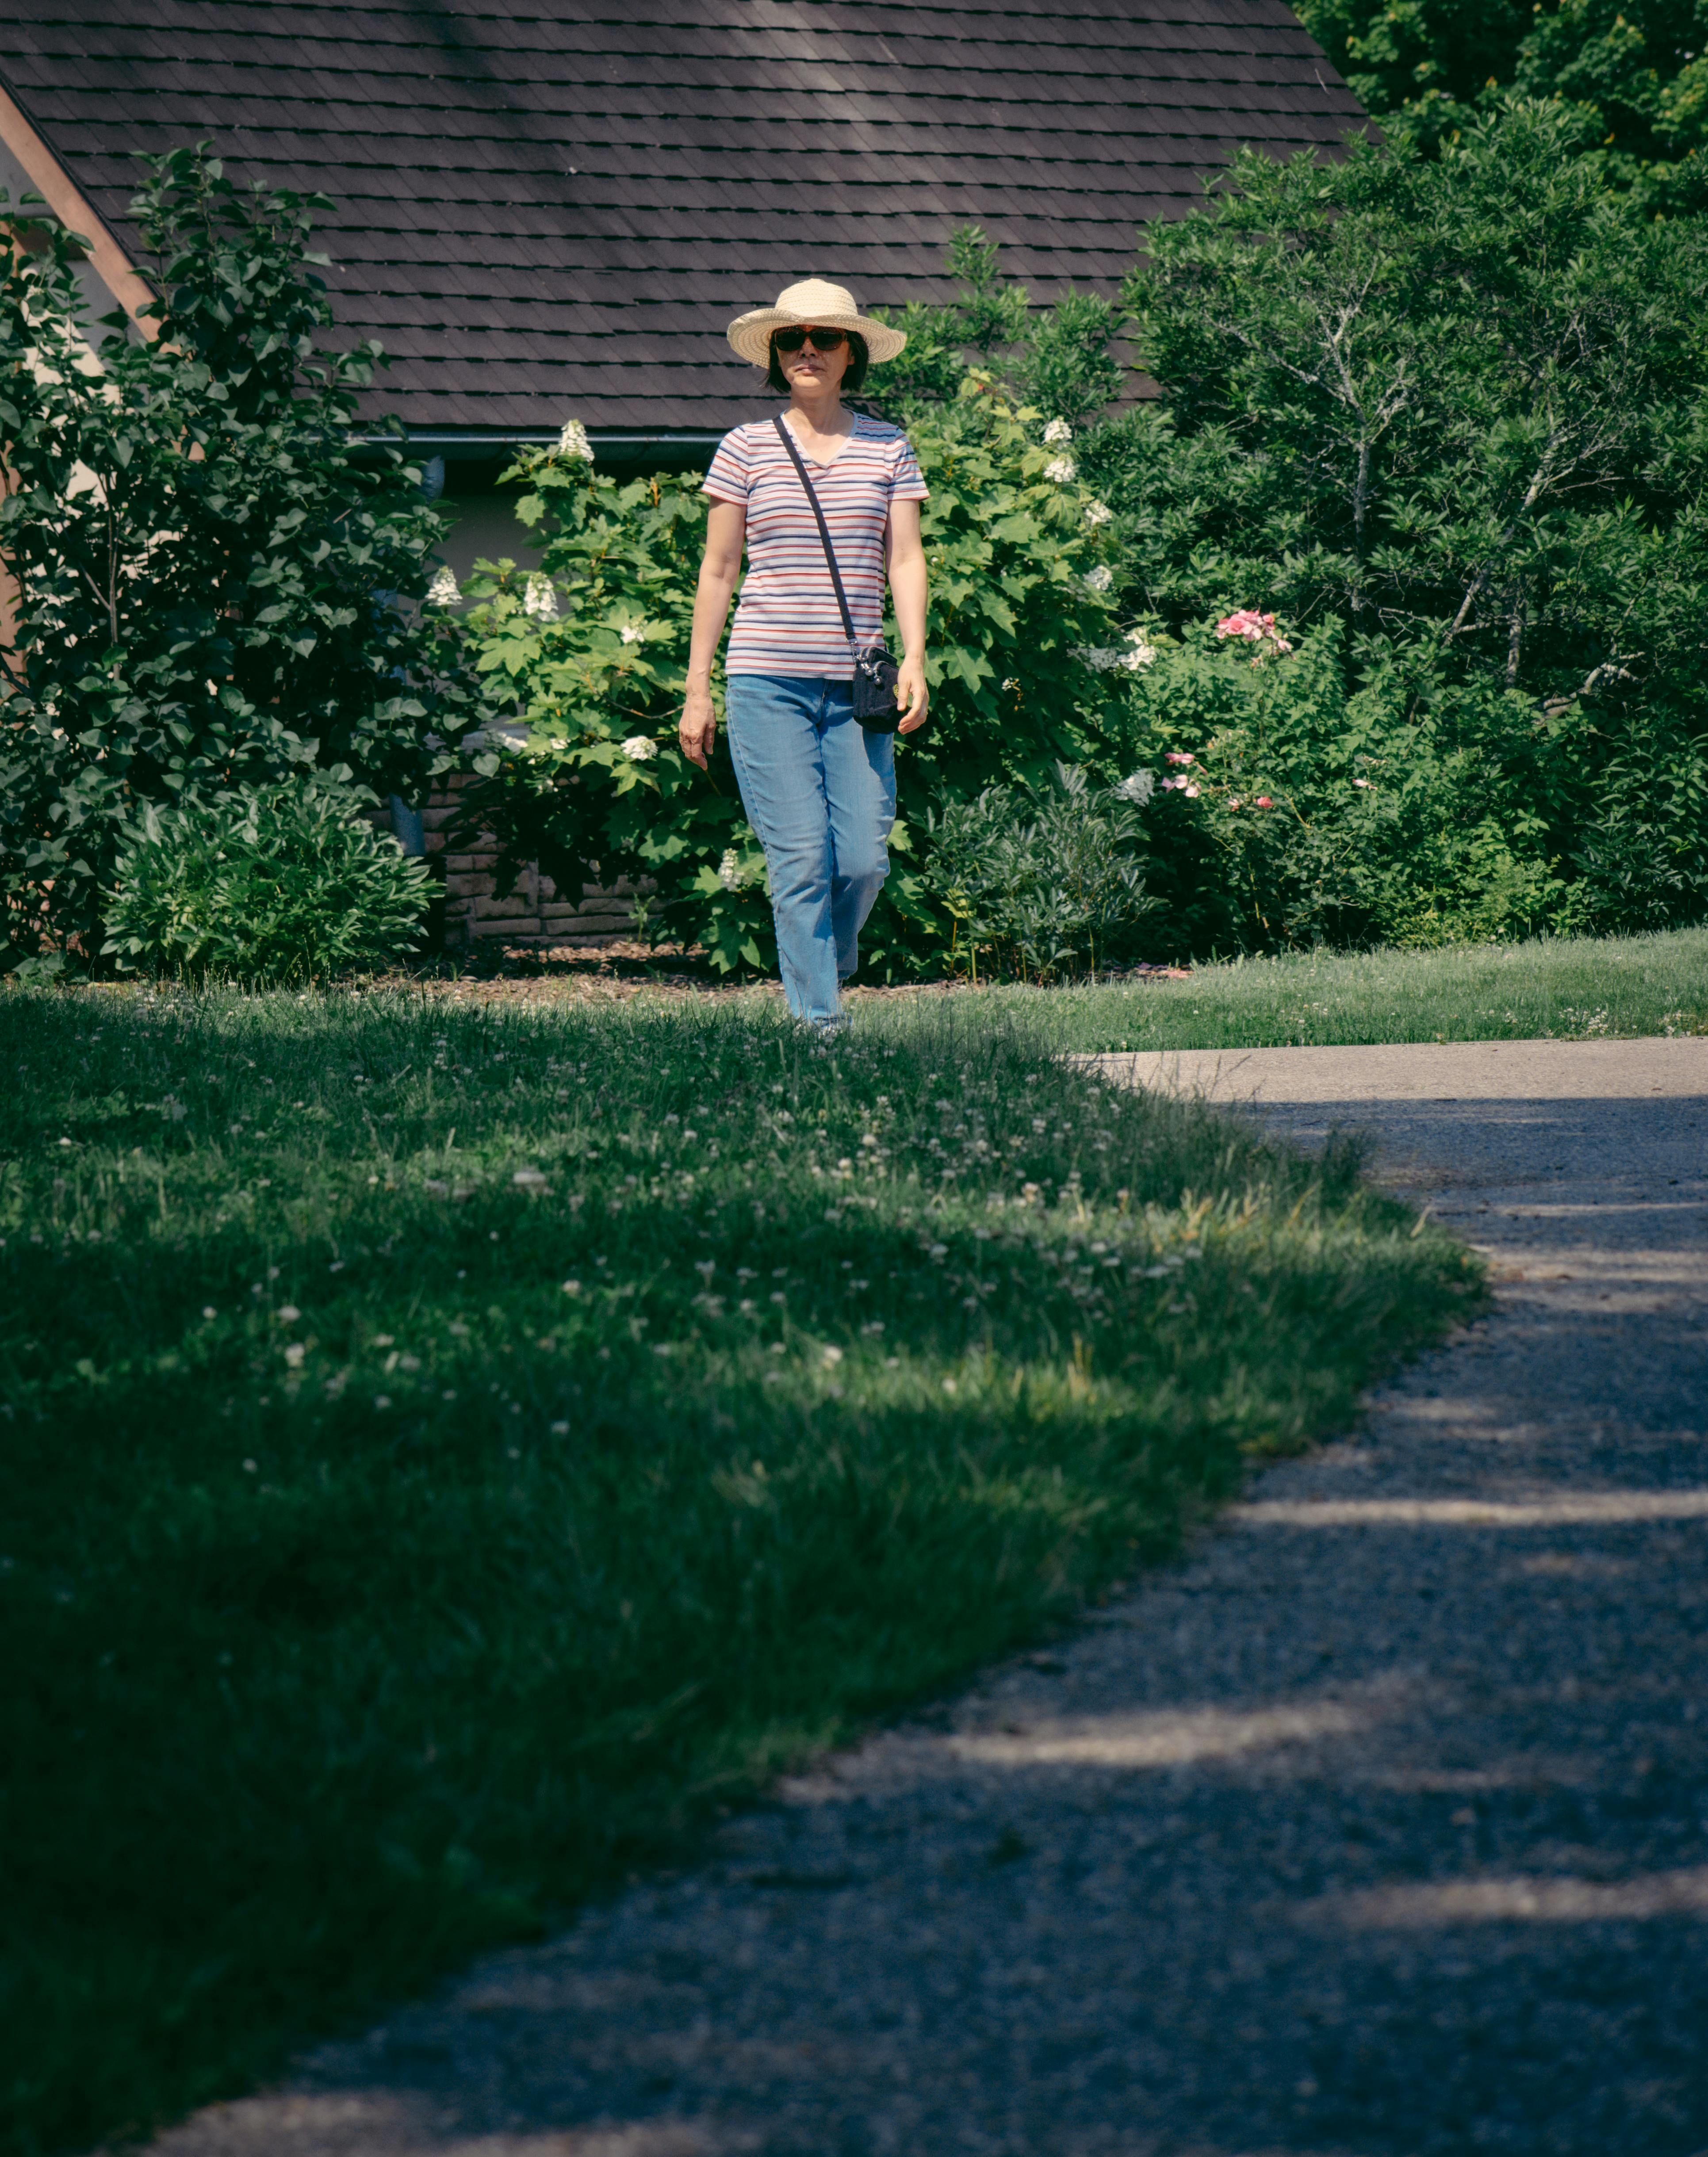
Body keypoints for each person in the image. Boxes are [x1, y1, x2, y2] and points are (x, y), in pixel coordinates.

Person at [678, 278, 929, 1028]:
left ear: (852, 353)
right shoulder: (745, 448)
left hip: (858, 689)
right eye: (792, 340)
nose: (808, 351)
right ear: (775, 355)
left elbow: (906, 560)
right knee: (798, 862)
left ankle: (822, 956)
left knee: (861, 859)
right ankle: (820, 1025)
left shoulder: (888, 445)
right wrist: (698, 689)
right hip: (766, 683)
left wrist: (914, 656)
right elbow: (718, 570)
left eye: (824, 338)